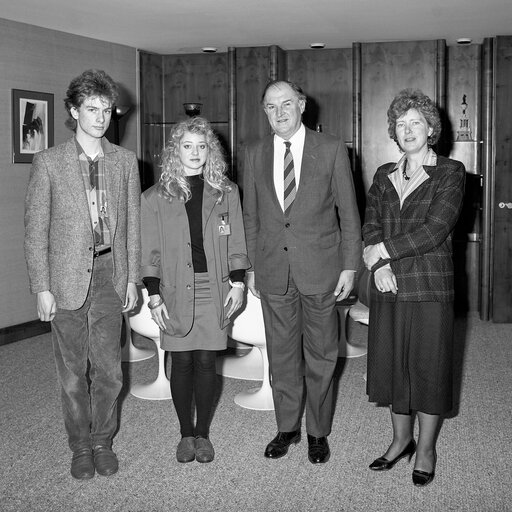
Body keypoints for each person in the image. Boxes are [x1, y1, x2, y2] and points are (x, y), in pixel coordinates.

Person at [24, 69, 141, 480]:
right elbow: (35, 231)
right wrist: (41, 287)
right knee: (73, 372)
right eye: (91, 109)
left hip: (111, 274)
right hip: (66, 278)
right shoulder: (49, 162)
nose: (100, 117)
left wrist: (131, 277)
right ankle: (80, 445)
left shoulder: (126, 162)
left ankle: (102, 440)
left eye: (106, 109)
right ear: (74, 111)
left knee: (109, 371)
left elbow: (131, 227)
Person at [243, 80, 362, 464]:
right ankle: (287, 427)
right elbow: (250, 217)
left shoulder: (331, 150)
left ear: (302, 106)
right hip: (273, 271)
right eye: (271, 106)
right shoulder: (254, 153)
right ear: (264, 111)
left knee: (322, 354)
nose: (279, 112)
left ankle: (318, 432)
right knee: (281, 356)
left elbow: (349, 213)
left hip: (322, 269)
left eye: (287, 104)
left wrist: (349, 266)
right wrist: (251, 269)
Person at [363, 89, 465, 487]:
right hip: (388, 286)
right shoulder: (382, 174)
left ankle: (426, 448)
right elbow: (371, 222)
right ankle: (400, 440)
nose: (407, 130)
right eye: (400, 124)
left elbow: (436, 229)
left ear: (430, 129)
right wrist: (378, 265)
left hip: (429, 285)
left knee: (427, 367)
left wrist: (382, 254)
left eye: (415, 123)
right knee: (393, 365)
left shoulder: (450, 172)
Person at [141, 117, 250, 464]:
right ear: (176, 150)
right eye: (187, 146)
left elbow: (237, 242)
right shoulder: (153, 198)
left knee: (206, 362)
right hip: (173, 291)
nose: (195, 153)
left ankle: (202, 433)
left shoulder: (227, 192)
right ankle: (184, 434)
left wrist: (238, 283)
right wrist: (153, 295)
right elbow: (150, 252)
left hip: (215, 288)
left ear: (210, 151)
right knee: (182, 361)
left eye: (202, 146)